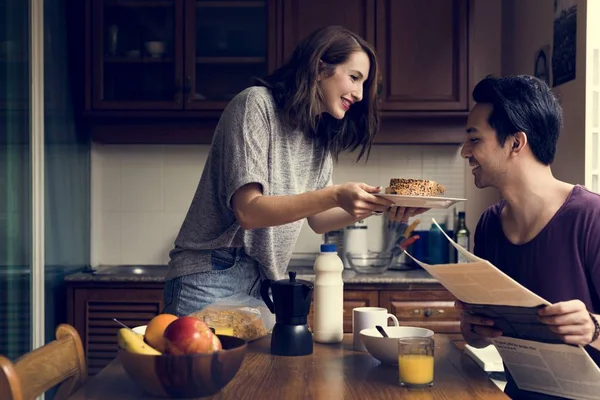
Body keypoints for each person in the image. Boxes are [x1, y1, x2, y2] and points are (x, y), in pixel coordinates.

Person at [163, 26, 425, 316]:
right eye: (354, 77)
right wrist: (337, 193)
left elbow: (320, 219)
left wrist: (383, 204)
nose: (361, 94)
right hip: (210, 273)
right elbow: (249, 212)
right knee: (202, 364)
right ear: (319, 67)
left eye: (364, 84)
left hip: (264, 281)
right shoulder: (255, 104)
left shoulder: (318, 135)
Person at [458, 75, 600, 399]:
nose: (465, 151)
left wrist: (594, 327)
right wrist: (474, 329)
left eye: (475, 140)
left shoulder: (591, 218)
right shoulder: (489, 226)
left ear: (516, 143)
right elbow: (482, 336)